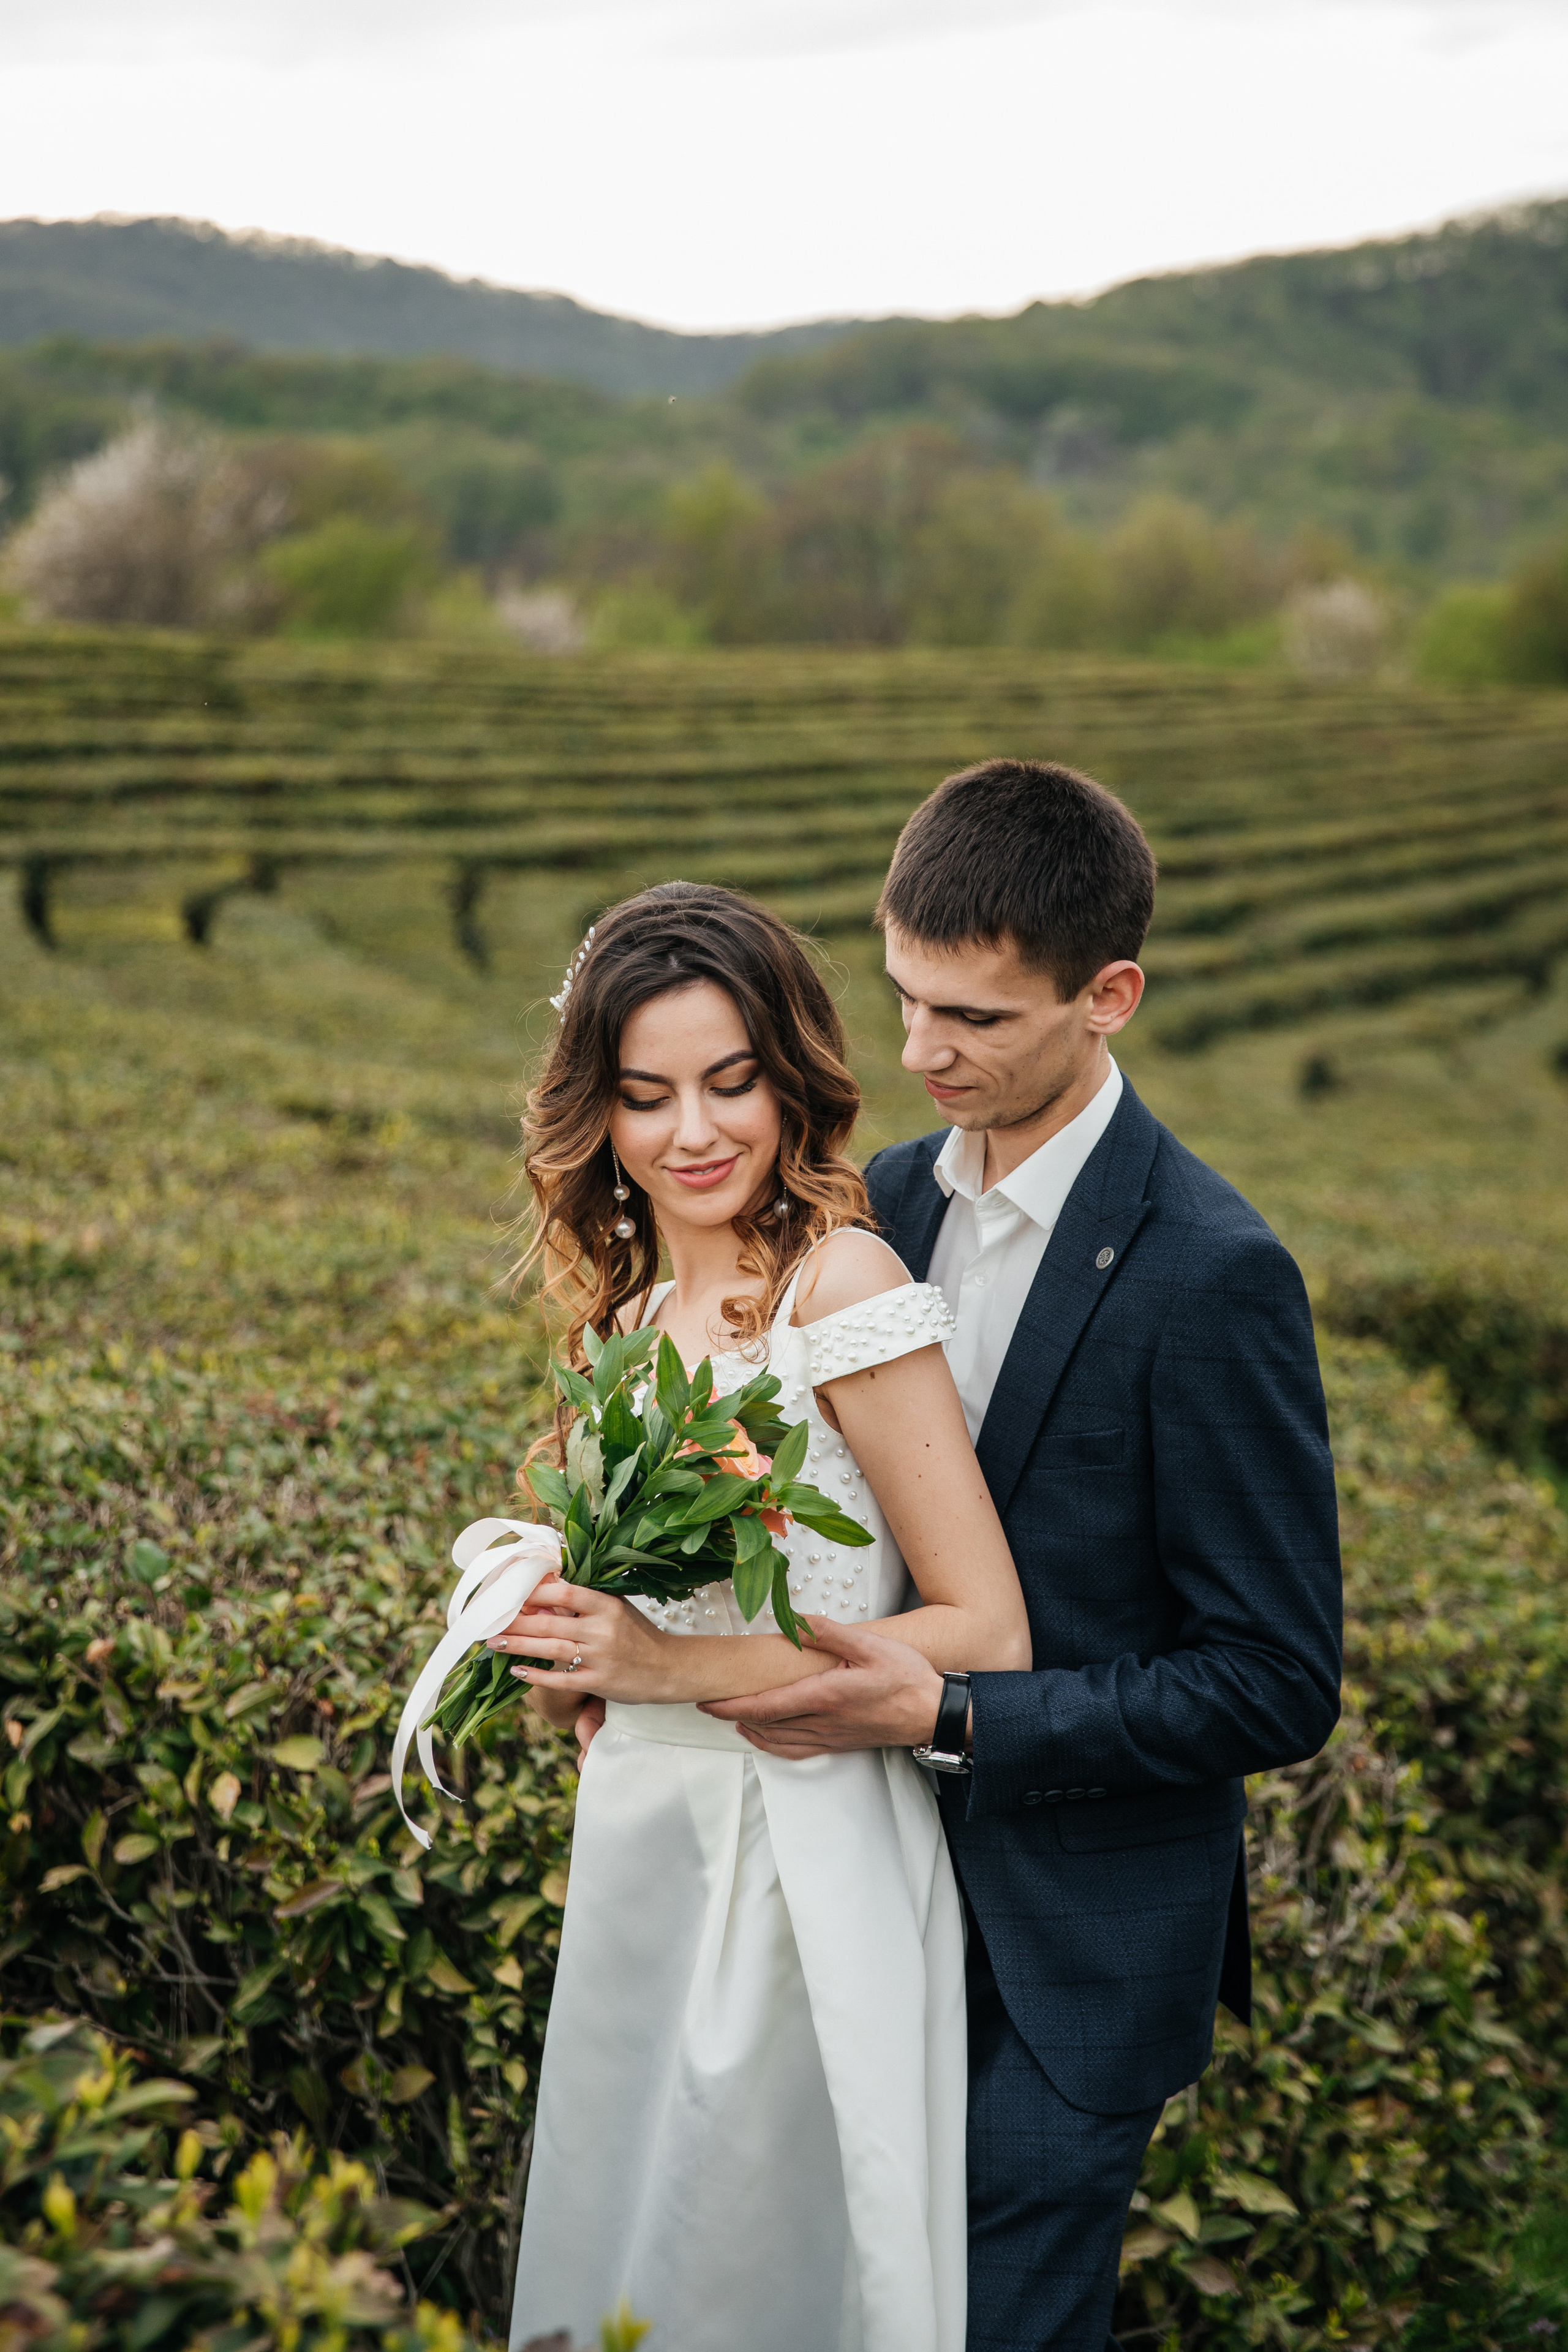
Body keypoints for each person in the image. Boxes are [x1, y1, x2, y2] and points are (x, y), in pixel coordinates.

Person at [700, 760, 1344, 2351]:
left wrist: (957, 1717)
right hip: (849, 1893)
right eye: (906, 998)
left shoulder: (1217, 1275)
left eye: (976, 1020)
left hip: (1072, 1958)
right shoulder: (876, 1210)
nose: (921, 1053)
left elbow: (1273, 1680)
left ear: (1109, 995)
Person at [491, 881, 1032, 2352]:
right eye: (647, 1095)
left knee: (757, 2247)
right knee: (632, 2242)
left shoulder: (839, 1283)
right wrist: (549, 1648)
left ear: (789, 1079)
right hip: (646, 1832)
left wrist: (670, 1661)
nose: (694, 1132)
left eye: (730, 1083)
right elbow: (610, 1670)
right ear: (596, 1115)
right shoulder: (618, 1328)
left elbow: (985, 1628)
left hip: (806, 1839)